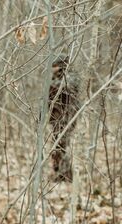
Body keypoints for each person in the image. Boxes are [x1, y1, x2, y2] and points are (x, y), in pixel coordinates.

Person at [48, 54, 79, 182]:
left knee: (61, 146)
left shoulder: (70, 77)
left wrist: (51, 84)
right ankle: (60, 173)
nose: (53, 69)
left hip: (67, 118)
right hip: (56, 119)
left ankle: (65, 175)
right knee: (57, 146)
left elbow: (66, 87)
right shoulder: (54, 77)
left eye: (55, 66)